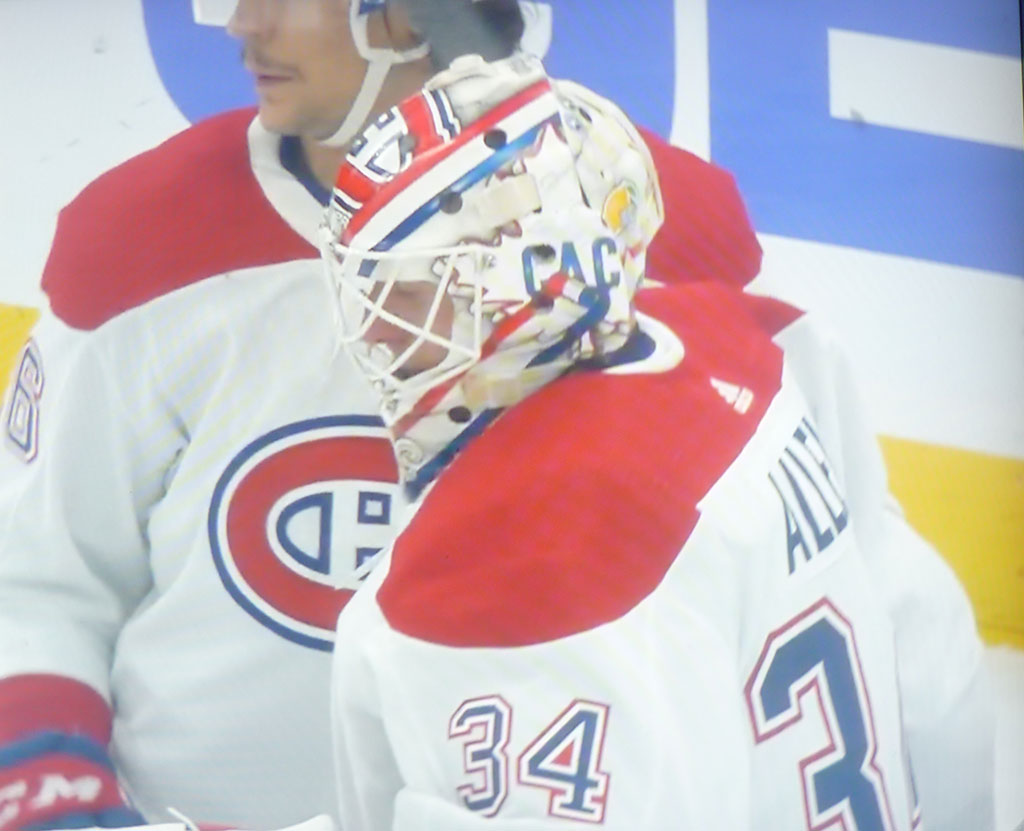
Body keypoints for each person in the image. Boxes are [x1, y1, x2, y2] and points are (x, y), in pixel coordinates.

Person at [0, 2, 763, 830]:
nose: (239, 23)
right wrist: (52, 797)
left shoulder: (656, 233)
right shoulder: (143, 241)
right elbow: (35, 582)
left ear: (406, 16)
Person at [321, 52, 995, 830]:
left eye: (408, 292)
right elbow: (935, 670)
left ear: (536, 279)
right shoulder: (754, 346)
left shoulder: (511, 571)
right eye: (368, 292)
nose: (372, 330)